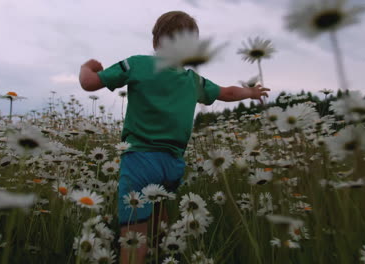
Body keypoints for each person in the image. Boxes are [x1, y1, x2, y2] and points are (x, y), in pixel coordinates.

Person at [79, 10, 269, 264]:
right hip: (172, 166)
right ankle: (164, 255)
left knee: (134, 238)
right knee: (160, 223)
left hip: (139, 161)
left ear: (156, 41)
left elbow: (90, 83)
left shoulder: (136, 64)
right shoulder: (193, 81)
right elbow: (227, 93)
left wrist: (86, 67)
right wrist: (250, 92)